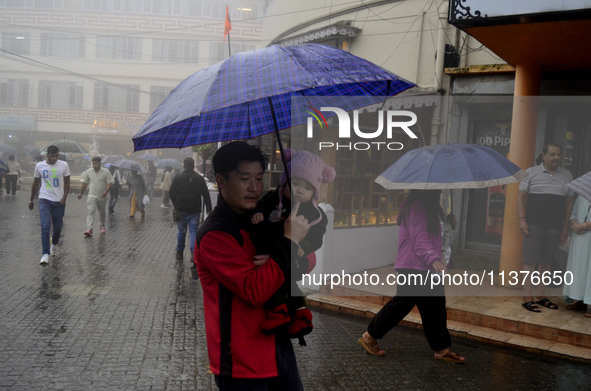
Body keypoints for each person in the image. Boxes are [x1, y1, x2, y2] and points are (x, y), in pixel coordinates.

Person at [195, 141, 309, 390]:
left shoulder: (262, 218)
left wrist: (291, 252)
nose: (254, 188)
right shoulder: (215, 234)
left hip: (279, 349)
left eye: (259, 178)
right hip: (242, 366)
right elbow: (254, 290)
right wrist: (288, 244)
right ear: (221, 181)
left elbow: (308, 261)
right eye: (245, 178)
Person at [358, 190, 466, 364]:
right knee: (401, 304)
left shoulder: (434, 207)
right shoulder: (418, 205)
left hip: (428, 267)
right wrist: (434, 259)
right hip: (414, 265)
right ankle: (369, 336)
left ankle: (441, 348)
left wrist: (447, 222)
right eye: (437, 188)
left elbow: (436, 237)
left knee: (435, 308)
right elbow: (419, 237)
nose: (440, 191)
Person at [250, 149, 335, 342]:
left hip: (290, 254)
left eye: (307, 188)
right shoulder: (274, 199)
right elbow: (261, 205)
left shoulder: (314, 214)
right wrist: (259, 213)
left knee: (280, 280)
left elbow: (317, 236)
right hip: (273, 248)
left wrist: (303, 246)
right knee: (285, 281)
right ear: (284, 181)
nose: (299, 190)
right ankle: (298, 312)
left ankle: (287, 312)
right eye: (295, 183)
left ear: (314, 192)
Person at [518, 142, 574, 312]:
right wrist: (522, 219)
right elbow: (520, 197)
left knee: (546, 262)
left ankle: (541, 295)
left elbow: (569, 203)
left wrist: (565, 227)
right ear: (543, 156)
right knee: (530, 261)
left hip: (555, 227)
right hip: (534, 225)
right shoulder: (530, 172)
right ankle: (527, 297)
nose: (556, 157)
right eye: (552, 154)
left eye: (559, 155)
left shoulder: (567, 175)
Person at [29, 145, 71, 265]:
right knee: (45, 226)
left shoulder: (64, 165)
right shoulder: (39, 166)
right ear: (47, 155)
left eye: (57, 156)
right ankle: (45, 254)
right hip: (44, 199)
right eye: (52, 156)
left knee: (58, 228)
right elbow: (36, 183)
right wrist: (31, 200)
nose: (55, 158)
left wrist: (64, 199)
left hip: (59, 201)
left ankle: (54, 244)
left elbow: (68, 182)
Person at [169, 158, 212, 264]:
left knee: (181, 231)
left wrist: (176, 205)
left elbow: (171, 192)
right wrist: (209, 208)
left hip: (181, 208)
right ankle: (193, 253)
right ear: (193, 166)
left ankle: (179, 252)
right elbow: (206, 194)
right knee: (193, 231)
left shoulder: (178, 177)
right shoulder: (198, 178)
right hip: (195, 210)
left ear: (184, 165)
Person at [563, 164, 591, 317]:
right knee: (578, 269)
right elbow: (573, 211)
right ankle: (579, 300)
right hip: (579, 240)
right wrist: (573, 224)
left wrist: (584, 225)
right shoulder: (582, 192)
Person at [78, 157, 114, 236]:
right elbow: (85, 183)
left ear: (100, 164)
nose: (94, 165)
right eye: (93, 164)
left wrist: (106, 191)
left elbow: (109, 182)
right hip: (91, 195)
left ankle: (102, 225)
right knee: (90, 211)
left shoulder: (106, 172)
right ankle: (89, 228)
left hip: (102, 196)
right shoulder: (89, 172)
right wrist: (81, 193)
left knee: (102, 212)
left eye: (96, 164)